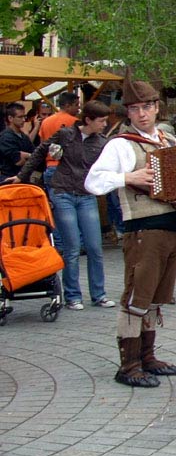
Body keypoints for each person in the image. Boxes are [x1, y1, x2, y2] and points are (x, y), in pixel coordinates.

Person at [85, 77, 176, 387]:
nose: (142, 114)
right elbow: (92, 182)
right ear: (128, 112)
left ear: (157, 107)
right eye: (134, 109)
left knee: (156, 296)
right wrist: (128, 177)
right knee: (137, 296)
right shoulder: (120, 144)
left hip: (170, 230)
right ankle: (129, 365)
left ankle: (147, 357)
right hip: (142, 231)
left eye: (146, 107)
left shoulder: (170, 142)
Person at [19, 100, 115, 309]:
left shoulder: (102, 142)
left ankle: (99, 294)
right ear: (88, 120)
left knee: (94, 247)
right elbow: (41, 151)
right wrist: (21, 177)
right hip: (63, 192)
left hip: (86, 194)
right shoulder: (66, 134)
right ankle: (73, 296)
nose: (104, 125)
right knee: (72, 247)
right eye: (101, 121)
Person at [1, 103, 34, 180]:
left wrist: (27, 155)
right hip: (9, 179)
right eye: (20, 117)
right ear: (10, 118)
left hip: (24, 178)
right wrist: (30, 156)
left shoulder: (24, 136)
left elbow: (35, 153)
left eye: (24, 116)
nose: (23, 120)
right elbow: (18, 161)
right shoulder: (6, 137)